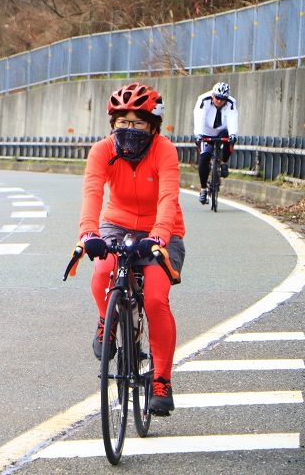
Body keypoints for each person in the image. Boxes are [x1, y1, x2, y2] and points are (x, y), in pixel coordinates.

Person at [76, 82, 186, 417]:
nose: (129, 129)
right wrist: (88, 233)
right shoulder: (102, 151)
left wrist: (159, 237)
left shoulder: (165, 150)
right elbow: (93, 192)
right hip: (117, 223)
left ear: (154, 126)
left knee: (154, 298)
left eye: (137, 122)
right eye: (122, 122)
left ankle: (161, 380)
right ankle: (105, 321)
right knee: (101, 273)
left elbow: (169, 197)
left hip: (161, 230)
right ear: (112, 125)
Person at [193, 82, 238, 204]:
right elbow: (199, 117)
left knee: (230, 139)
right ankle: (203, 189)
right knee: (205, 157)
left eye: (222, 99)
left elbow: (233, 118)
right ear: (213, 95)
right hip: (206, 131)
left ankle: (223, 162)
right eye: (217, 98)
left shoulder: (230, 102)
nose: (219, 101)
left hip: (222, 130)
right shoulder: (204, 100)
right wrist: (198, 135)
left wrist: (233, 134)